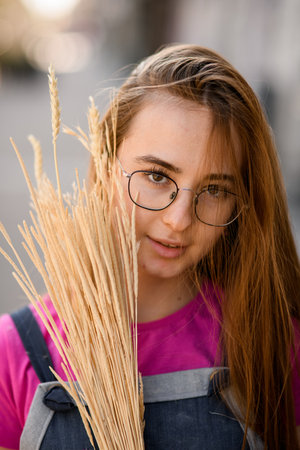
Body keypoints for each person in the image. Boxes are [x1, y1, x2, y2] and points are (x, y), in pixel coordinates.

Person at [0, 44, 300, 449]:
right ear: (106, 163)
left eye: (214, 189)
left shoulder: (272, 339)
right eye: (157, 176)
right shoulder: (15, 350)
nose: (179, 220)